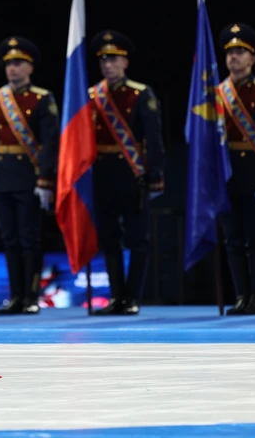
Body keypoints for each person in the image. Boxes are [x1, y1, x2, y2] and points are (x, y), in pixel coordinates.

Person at [0, 36, 58, 315]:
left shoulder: (42, 98)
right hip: (2, 174)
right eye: (9, 63)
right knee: (9, 238)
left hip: (29, 176)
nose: (12, 68)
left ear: (30, 67)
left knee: (29, 238)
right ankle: (15, 297)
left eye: (19, 63)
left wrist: (45, 180)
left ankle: (31, 296)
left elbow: (50, 143)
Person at [87, 30, 165, 316]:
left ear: (125, 62)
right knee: (108, 238)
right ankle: (117, 296)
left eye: (114, 59)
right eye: (104, 60)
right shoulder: (92, 96)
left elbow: (154, 139)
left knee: (137, 238)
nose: (108, 65)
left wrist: (155, 175)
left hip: (133, 174)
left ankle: (133, 297)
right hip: (102, 174)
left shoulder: (141, 94)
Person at [216, 23, 255, 315]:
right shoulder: (215, 94)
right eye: (230, 52)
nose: (234, 58)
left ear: (252, 58)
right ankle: (240, 295)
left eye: (240, 52)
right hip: (225, 176)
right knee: (232, 239)